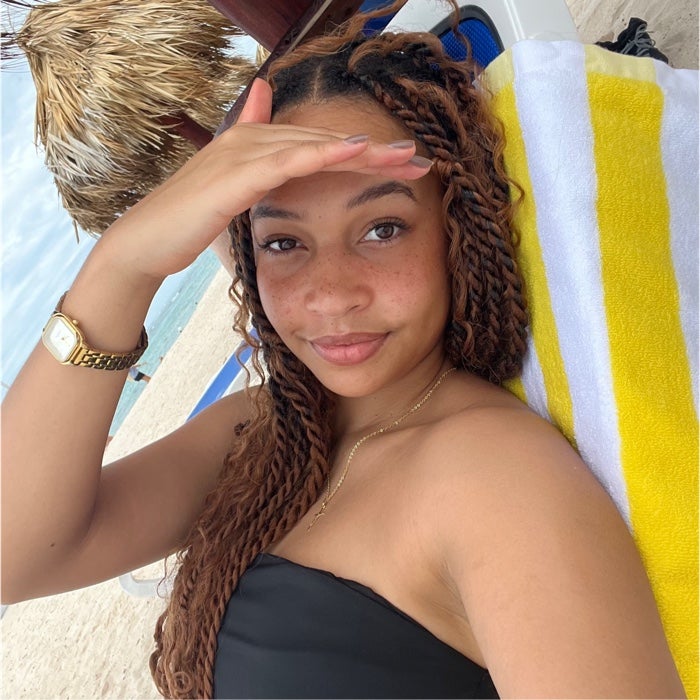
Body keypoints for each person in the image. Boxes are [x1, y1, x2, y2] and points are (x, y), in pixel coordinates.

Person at [1, 3, 685, 699]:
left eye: (382, 228)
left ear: (457, 228)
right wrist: (122, 267)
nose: (330, 296)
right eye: (283, 242)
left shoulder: (493, 478)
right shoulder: (263, 432)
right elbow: (16, 557)